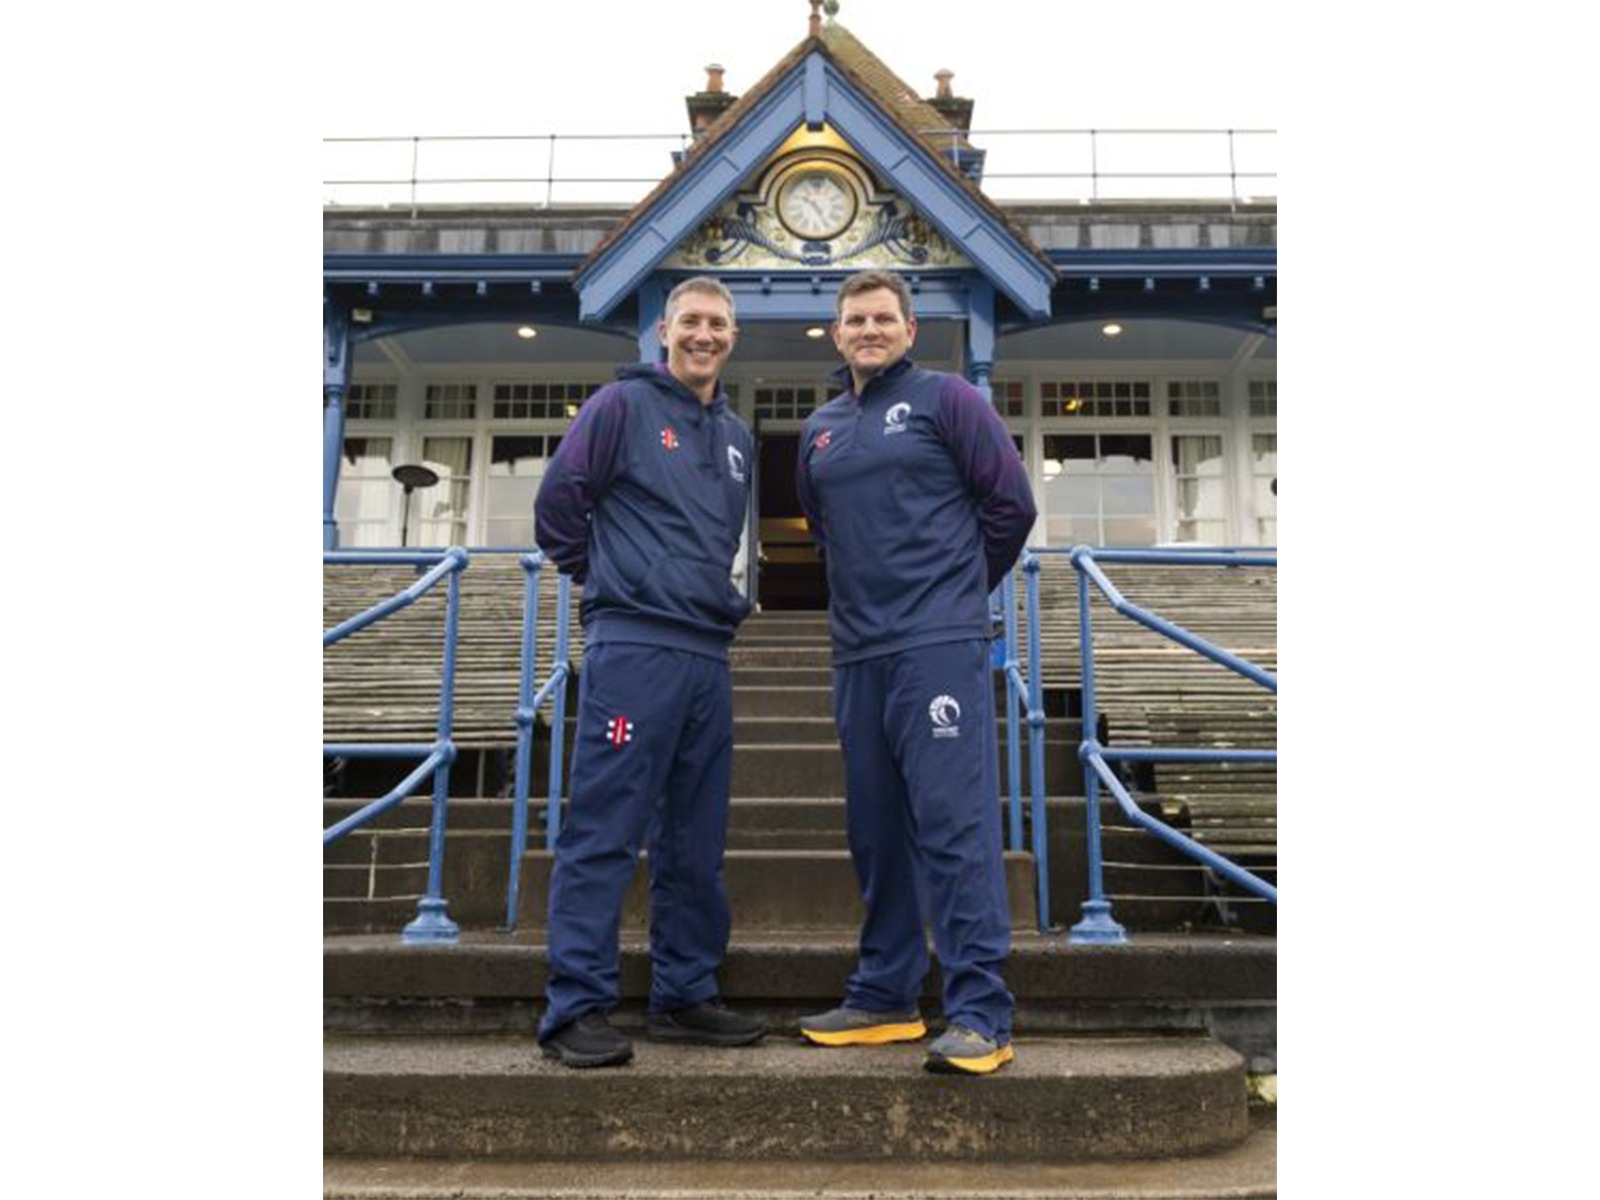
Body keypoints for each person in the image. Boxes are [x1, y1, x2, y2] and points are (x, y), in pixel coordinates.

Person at [795, 269, 1037, 1075]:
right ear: (837, 334)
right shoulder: (820, 429)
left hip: (937, 644)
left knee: (952, 824)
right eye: (855, 320)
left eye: (882, 318)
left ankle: (981, 1013)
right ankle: (886, 996)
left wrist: (954, 592)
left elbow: (1011, 506)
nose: (869, 330)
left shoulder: (949, 401)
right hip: (858, 651)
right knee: (876, 830)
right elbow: (825, 529)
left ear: (909, 329)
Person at [532, 276, 765, 1068]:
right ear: (665, 331)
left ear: (733, 337)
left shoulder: (736, 436)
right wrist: (613, 579)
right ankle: (575, 1007)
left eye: (718, 324)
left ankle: (685, 993)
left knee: (695, 839)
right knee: (605, 829)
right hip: (633, 647)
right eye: (690, 321)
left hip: (707, 654)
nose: (704, 335)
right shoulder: (619, 407)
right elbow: (557, 509)